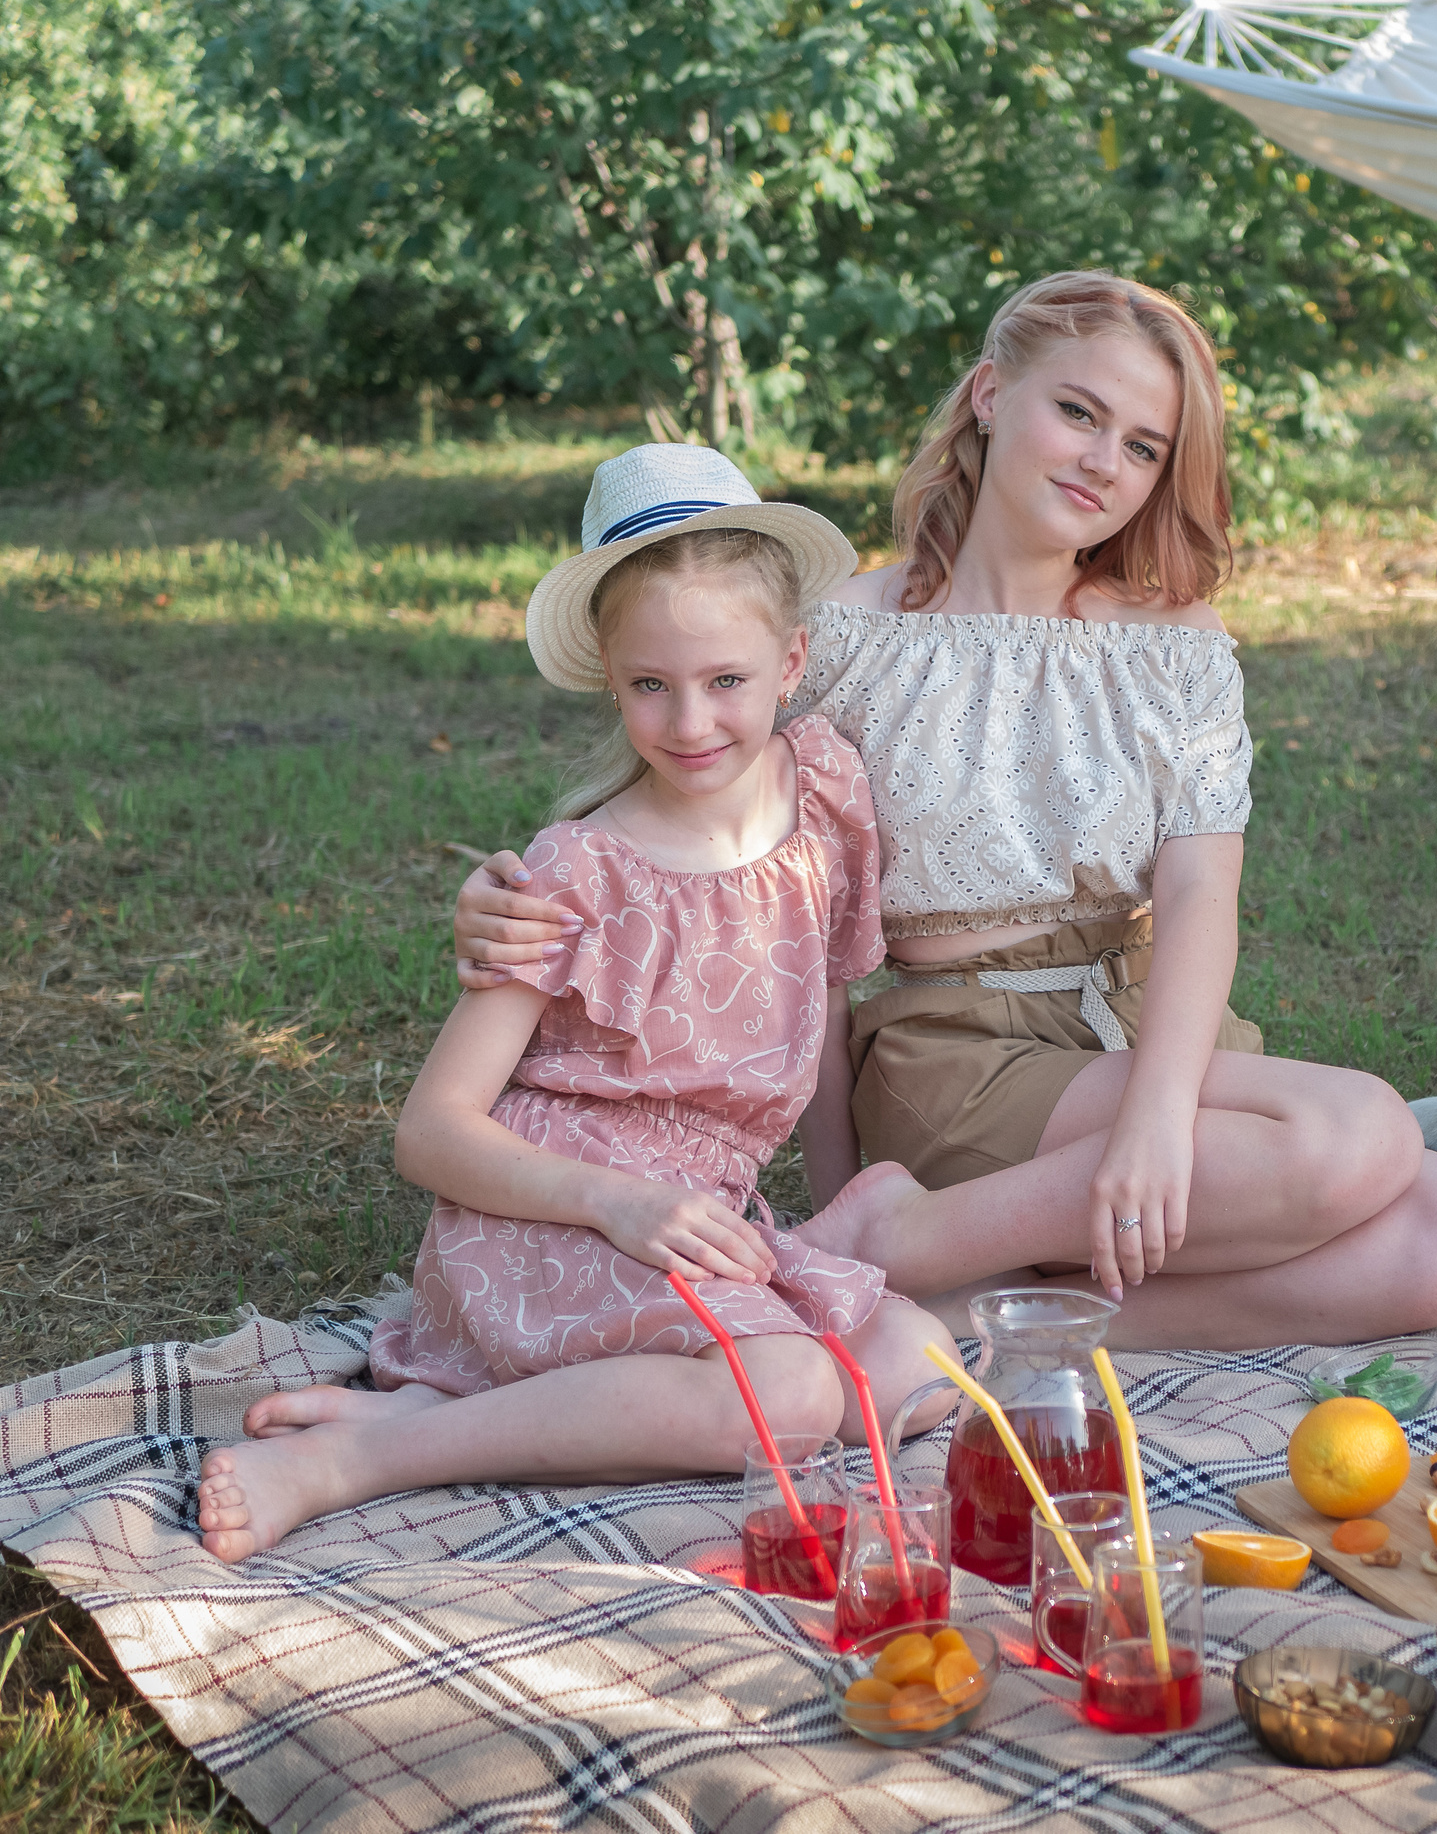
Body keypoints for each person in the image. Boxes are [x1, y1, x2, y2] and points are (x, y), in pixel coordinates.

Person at [454, 272, 1437, 1351]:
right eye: (1078, 411)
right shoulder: (849, 639)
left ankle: (975, 1308)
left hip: (1146, 1028)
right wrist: (508, 903)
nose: (1104, 461)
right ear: (989, 394)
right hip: (960, 1053)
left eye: (1144, 447)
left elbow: (1204, 890)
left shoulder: (1177, 644)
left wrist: (1157, 1121)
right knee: (1357, 1134)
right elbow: (706, 842)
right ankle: (895, 1230)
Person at [199, 447, 953, 1563]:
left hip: (697, 1215)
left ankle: (464, 1409)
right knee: (793, 1394)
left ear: (791, 660)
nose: (691, 722)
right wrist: (616, 1203)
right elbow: (431, 1131)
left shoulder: (825, 793)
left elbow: (826, 1025)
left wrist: (821, 1235)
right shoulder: (577, 874)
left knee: (918, 1367)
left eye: (727, 680)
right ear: (609, 674)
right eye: (651, 685)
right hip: (554, 1214)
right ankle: (361, 1461)